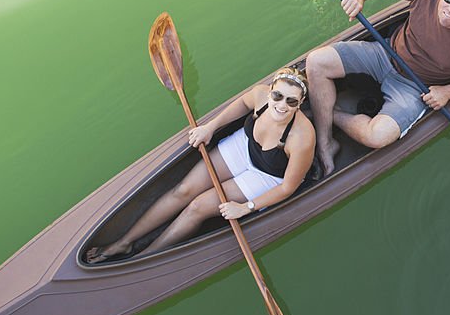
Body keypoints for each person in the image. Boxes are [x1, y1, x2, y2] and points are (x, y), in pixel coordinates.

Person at [85, 67, 315, 263]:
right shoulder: (261, 96)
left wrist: (247, 207)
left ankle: (143, 258)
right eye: (278, 96)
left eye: (291, 101)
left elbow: (287, 187)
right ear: (271, 91)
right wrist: (210, 127)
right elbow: (242, 104)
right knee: (183, 190)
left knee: (197, 207)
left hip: (268, 174)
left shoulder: (302, 139)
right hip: (245, 146)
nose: (281, 105)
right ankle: (123, 243)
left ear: (300, 103)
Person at [306, 0, 450, 175]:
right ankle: (325, 142)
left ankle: (329, 113)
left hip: (414, 87)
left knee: (378, 136)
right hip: (386, 53)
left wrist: (449, 92)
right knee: (316, 61)